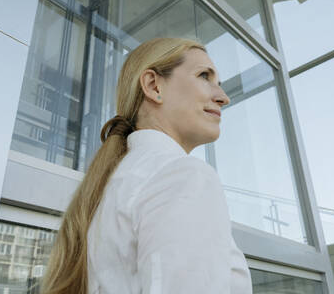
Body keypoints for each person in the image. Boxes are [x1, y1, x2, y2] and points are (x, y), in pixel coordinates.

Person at [42, 37, 252, 294]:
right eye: (204, 76)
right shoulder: (183, 176)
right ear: (154, 86)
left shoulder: (111, 186)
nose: (223, 97)